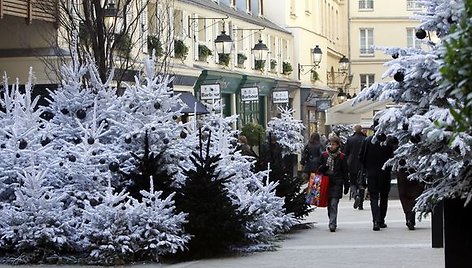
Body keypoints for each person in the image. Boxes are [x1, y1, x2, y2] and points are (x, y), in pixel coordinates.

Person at [359, 129, 394, 231]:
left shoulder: (367, 141)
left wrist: (366, 167)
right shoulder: (387, 141)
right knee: (384, 196)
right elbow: (392, 156)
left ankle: (375, 221)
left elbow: (361, 156)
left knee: (374, 197)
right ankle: (381, 220)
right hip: (385, 173)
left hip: (372, 173)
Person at [318, 136, 350, 232]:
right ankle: (331, 219)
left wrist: (346, 184)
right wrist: (323, 168)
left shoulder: (341, 157)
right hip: (326, 182)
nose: (331, 146)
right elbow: (318, 169)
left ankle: (332, 224)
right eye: (330, 144)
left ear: (337, 145)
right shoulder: (324, 155)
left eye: (333, 144)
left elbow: (345, 171)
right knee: (329, 204)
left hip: (337, 182)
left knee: (333, 203)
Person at [343, 125, 367, 210]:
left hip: (352, 163)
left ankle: (355, 195)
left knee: (352, 182)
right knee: (361, 183)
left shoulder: (350, 139)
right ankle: (361, 204)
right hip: (362, 164)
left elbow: (345, 152)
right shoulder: (365, 139)